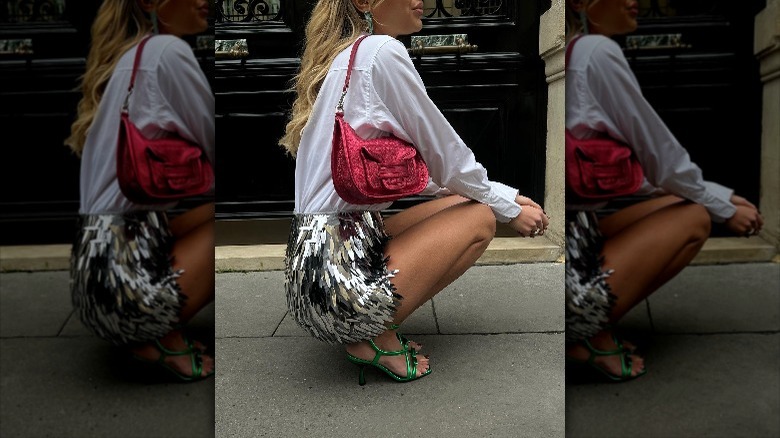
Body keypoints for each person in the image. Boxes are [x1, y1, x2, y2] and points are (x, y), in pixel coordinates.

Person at [279, 0, 549, 385]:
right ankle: (371, 335)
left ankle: (369, 324)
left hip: (316, 274)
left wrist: (505, 194)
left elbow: (418, 173)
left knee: (464, 201)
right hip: (341, 279)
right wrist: (505, 208)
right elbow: (445, 156)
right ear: (365, 3)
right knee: (481, 217)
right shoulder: (381, 52)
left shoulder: (348, 56)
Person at [564, 0, 764, 381]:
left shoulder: (574, 51)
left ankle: (588, 326)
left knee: (682, 200)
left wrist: (718, 194)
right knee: (694, 217)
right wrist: (720, 206)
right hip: (571, 275)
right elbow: (660, 155)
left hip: (577, 239)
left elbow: (634, 176)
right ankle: (587, 335)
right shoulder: (596, 51)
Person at [64, 0, 215, 382]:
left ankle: (151, 330)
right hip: (128, 283)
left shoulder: (131, 57)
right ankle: (157, 335)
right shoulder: (167, 52)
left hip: (97, 277)